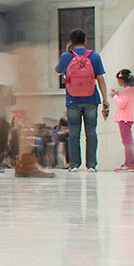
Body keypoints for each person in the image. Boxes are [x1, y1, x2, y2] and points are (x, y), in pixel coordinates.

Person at [55, 29, 109, 173]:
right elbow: (100, 79)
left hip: (73, 100)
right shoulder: (94, 56)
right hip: (91, 99)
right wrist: (105, 99)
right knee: (91, 132)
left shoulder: (66, 56)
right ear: (86, 40)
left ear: (71, 42)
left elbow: (57, 71)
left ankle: (74, 165)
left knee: (74, 133)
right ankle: (91, 165)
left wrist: (67, 53)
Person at [111, 68, 134, 172]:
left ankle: (129, 163)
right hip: (128, 118)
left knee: (126, 141)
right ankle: (130, 162)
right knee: (128, 141)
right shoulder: (131, 90)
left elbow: (121, 103)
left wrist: (115, 97)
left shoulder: (127, 90)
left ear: (122, 80)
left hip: (124, 119)